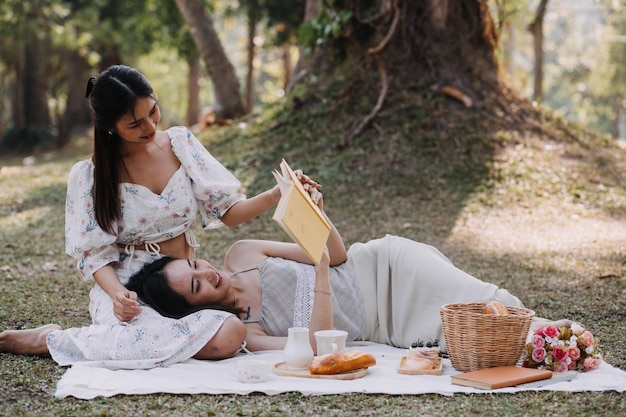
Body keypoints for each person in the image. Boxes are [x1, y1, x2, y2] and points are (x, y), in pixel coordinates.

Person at [0, 65, 318, 369]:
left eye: (152, 111)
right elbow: (94, 254)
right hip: (129, 287)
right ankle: (49, 339)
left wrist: (279, 193)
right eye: (135, 124)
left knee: (228, 334)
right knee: (143, 334)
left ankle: (93, 342)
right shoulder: (90, 175)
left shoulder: (180, 143)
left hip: (182, 290)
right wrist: (117, 295)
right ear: (110, 126)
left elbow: (228, 211)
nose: (150, 127)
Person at [124, 182, 564, 354]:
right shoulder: (250, 336)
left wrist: (318, 216)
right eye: (197, 287)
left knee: (489, 304)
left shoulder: (241, 254)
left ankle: (556, 335)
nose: (209, 275)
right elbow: (320, 344)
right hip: (380, 325)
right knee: (467, 341)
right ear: (192, 309)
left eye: (197, 265)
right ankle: (548, 345)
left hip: (383, 269)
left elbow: (334, 255)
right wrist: (316, 269)